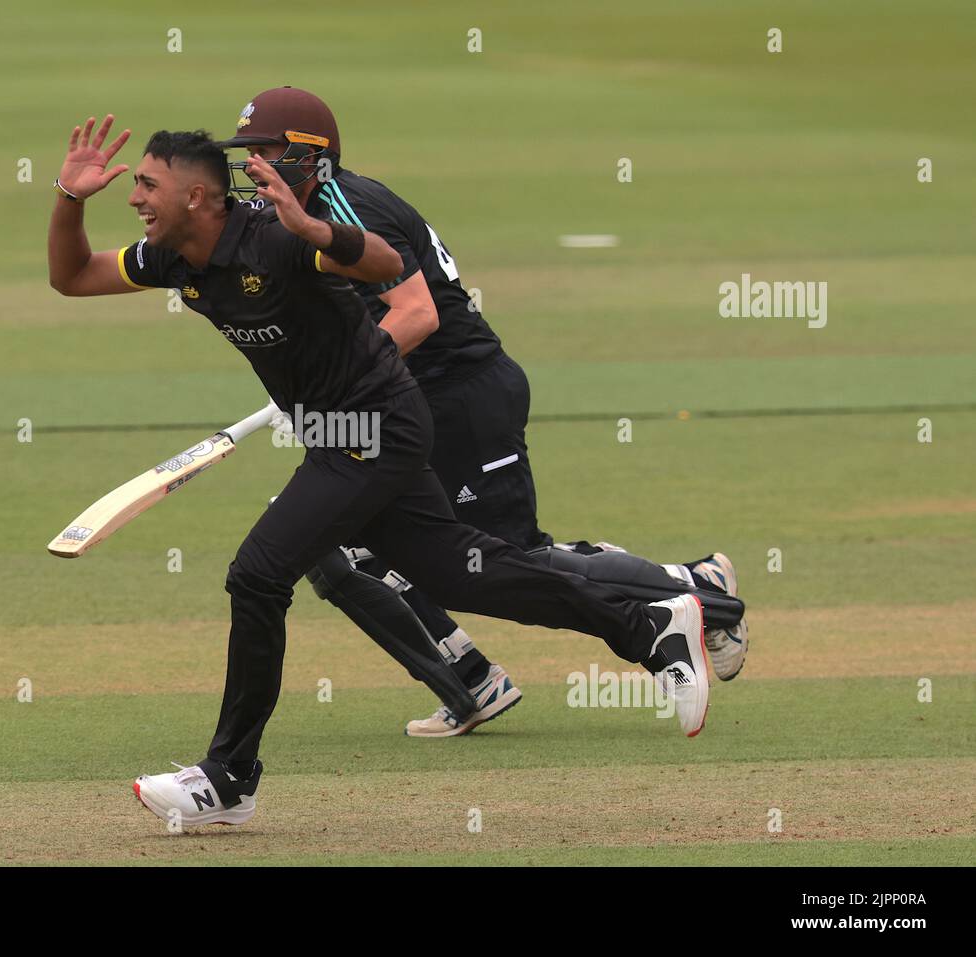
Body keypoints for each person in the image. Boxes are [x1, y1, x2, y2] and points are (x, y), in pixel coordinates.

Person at [48, 116, 710, 829]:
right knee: (462, 573)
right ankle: (650, 627)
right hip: (346, 433)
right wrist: (67, 196)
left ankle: (228, 778)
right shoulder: (172, 255)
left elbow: (387, 266)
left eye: (149, 184)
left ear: (200, 197)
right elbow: (73, 276)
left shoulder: (276, 237)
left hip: (373, 430)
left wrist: (315, 228)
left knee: (257, 574)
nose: (136, 196)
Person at [221, 87, 749, 737]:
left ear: (309, 156)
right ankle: (471, 677)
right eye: (248, 153)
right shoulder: (286, 214)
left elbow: (417, 313)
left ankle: (698, 596)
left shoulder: (350, 205)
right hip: (401, 399)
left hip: (458, 393)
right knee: (338, 543)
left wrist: (335, 387)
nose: (252, 165)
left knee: (504, 556)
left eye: (265, 151)